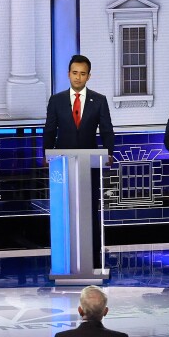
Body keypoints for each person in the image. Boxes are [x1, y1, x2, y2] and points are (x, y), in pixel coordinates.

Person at [42, 54, 114, 267]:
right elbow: (49, 130)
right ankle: (64, 257)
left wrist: (109, 153)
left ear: (88, 76)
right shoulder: (56, 100)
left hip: (89, 165)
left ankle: (93, 259)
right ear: (68, 74)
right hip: (62, 165)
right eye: (75, 73)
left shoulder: (99, 100)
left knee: (90, 210)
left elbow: (107, 130)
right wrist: (46, 154)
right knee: (63, 209)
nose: (78, 77)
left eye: (82, 74)